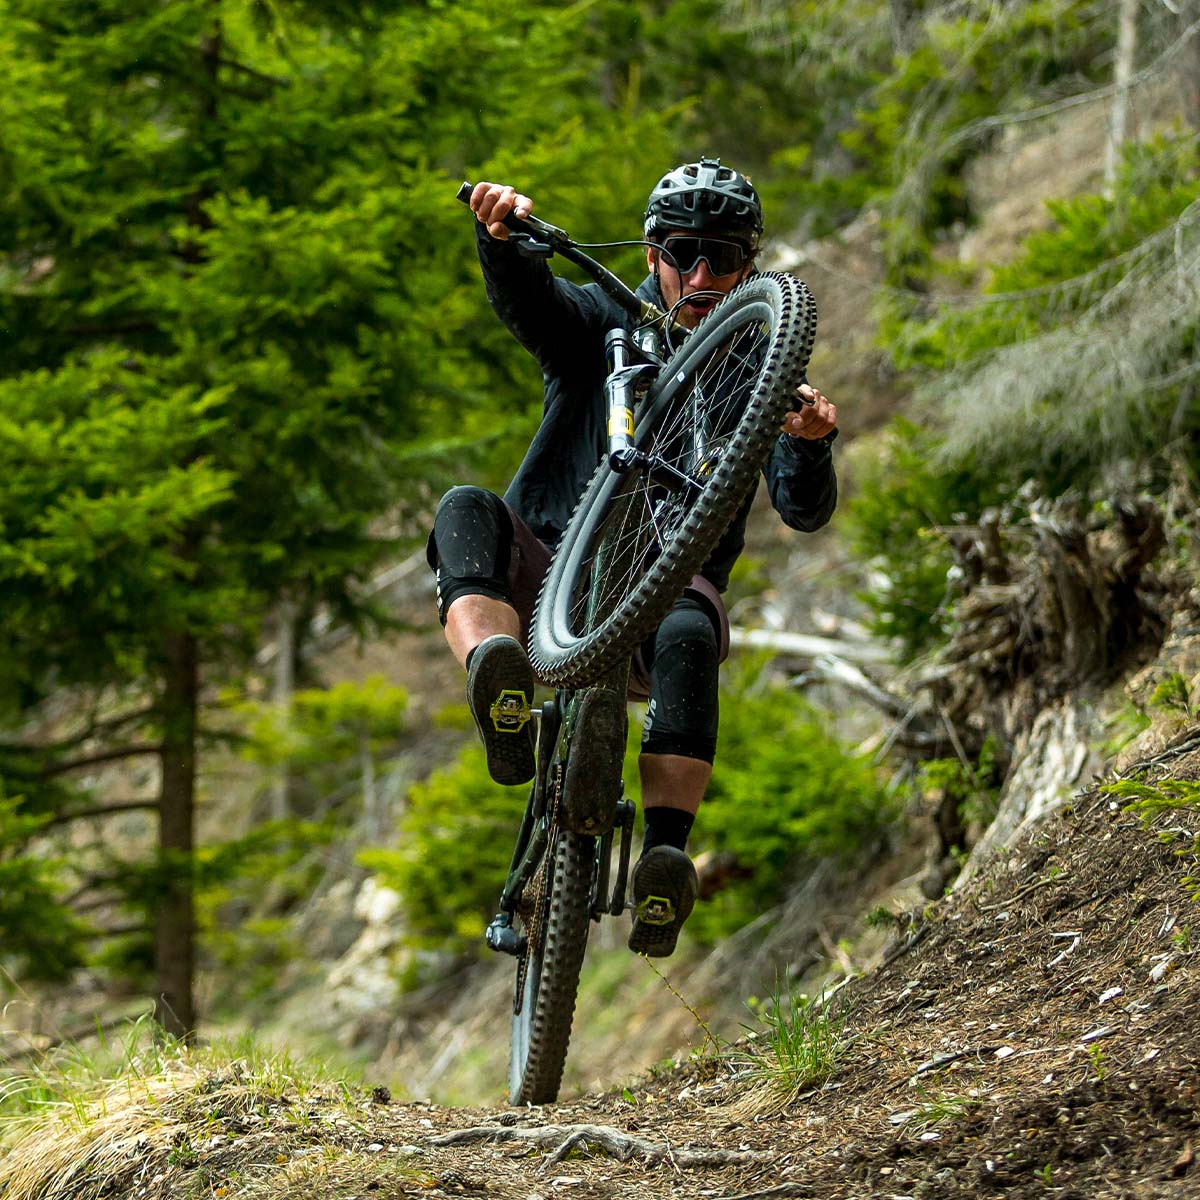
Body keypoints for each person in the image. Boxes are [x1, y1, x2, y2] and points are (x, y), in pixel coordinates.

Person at [427, 157, 838, 956]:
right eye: (684, 253)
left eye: (725, 259)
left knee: (690, 629)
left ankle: (665, 858)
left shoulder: (763, 370)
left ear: (750, 267)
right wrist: (501, 237)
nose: (704, 275)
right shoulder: (598, 324)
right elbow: (529, 304)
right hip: (550, 571)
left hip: (662, 598)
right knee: (464, 510)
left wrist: (814, 444)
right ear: (652, 255)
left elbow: (805, 511)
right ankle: (498, 677)